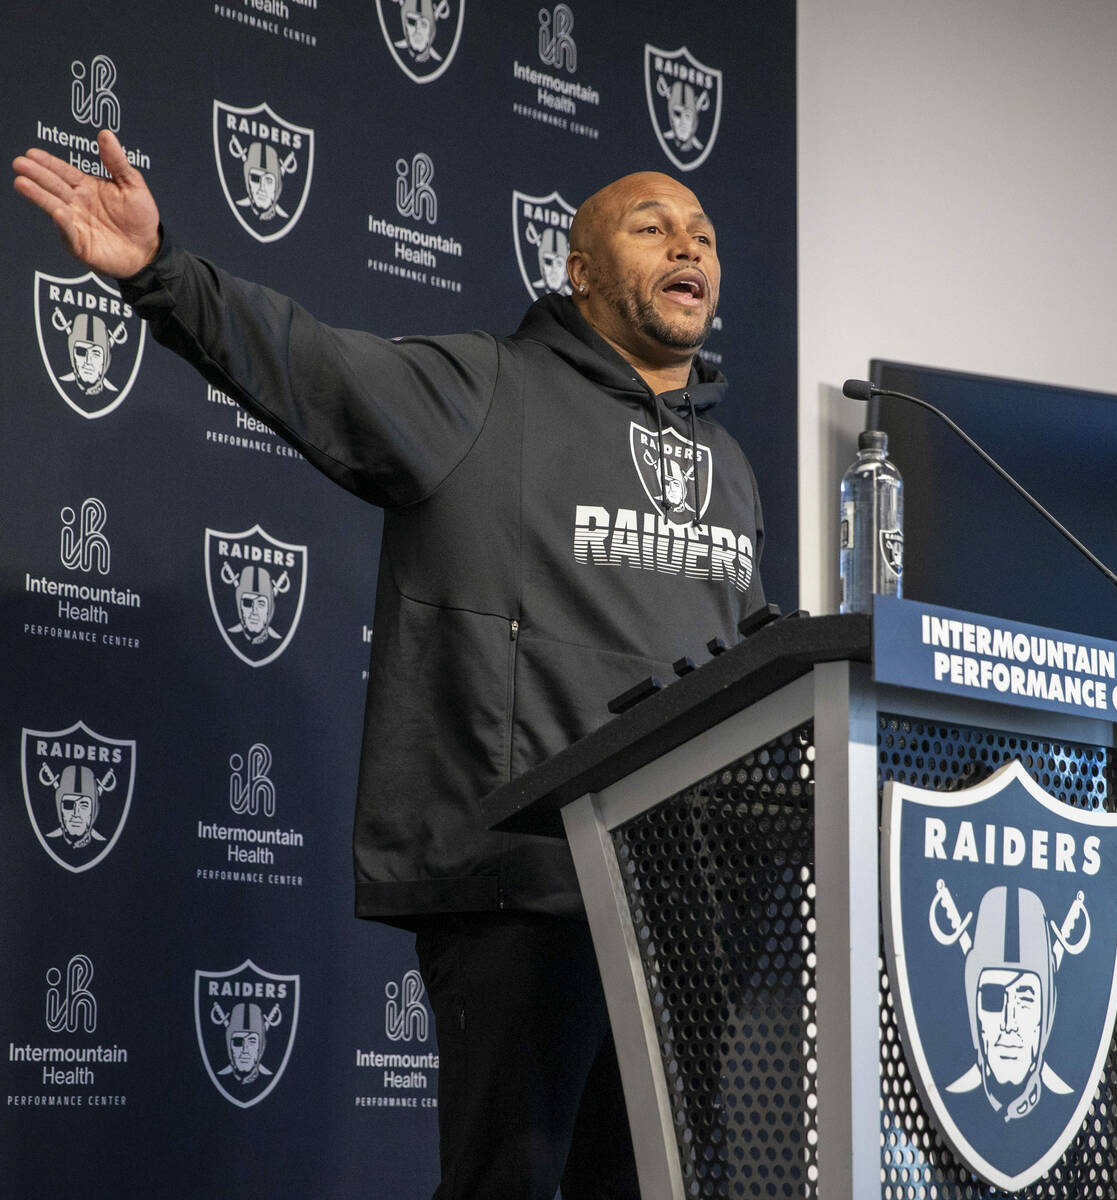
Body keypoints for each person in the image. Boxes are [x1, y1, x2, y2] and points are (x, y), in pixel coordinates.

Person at [14, 132, 768, 1199]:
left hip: (679, 911)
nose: (687, 244)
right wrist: (163, 274)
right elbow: (310, 360)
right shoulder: (485, 391)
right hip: (527, 892)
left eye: (701, 233)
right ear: (581, 269)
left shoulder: (730, 467)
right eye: (651, 227)